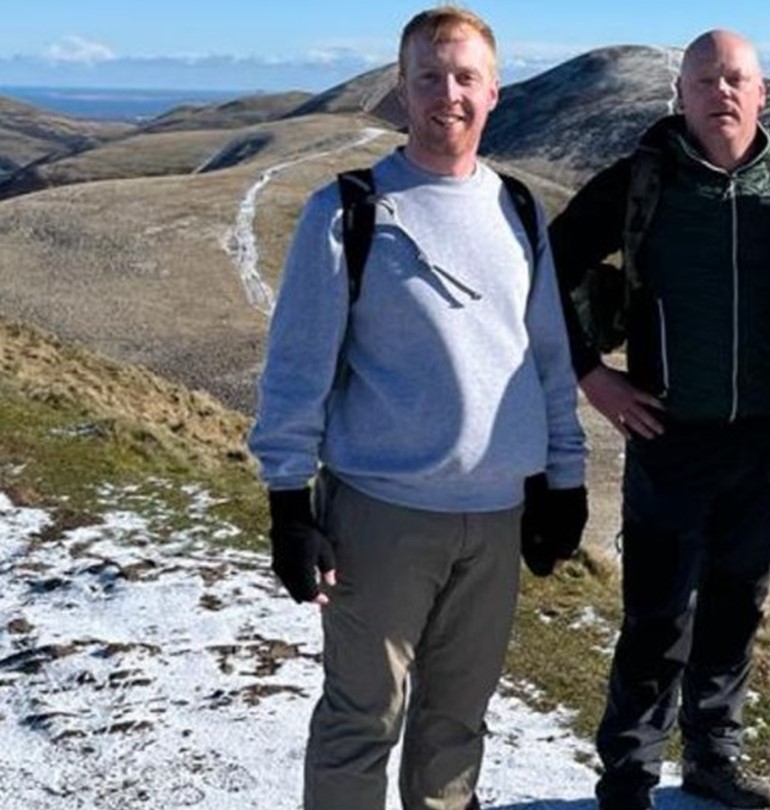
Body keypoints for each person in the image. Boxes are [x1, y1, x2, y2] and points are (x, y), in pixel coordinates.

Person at [247, 7, 587, 809]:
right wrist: (287, 505)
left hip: (497, 520)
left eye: (466, 77)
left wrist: (562, 480)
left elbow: (545, 359)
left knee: (456, 727)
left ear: (495, 91)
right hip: (381, 517)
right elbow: (297, 369)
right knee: (361, 721)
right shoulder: (348, 212)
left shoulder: (520, 211)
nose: (448, 95)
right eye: (428, 77)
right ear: (401, 91)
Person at [548, 29, 770, 810]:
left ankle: (714, 759)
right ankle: (627, 773)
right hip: (668, 433)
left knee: (737, 602)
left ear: (763, 95)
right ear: (680, 97)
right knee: (658, 613)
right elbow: (543, 270)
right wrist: (594, 376)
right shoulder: (639, 182)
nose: (721, 92)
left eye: (736, 79)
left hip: (767, 436)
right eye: (704, 80)